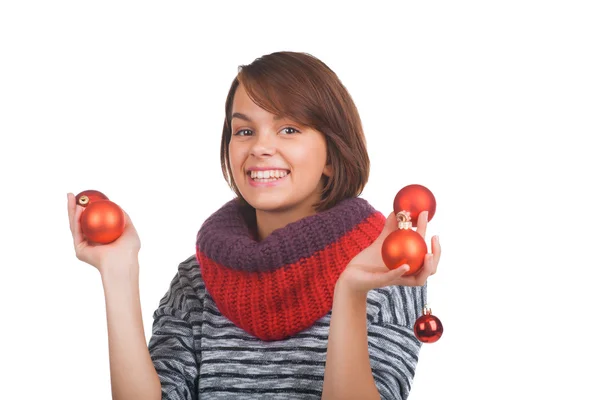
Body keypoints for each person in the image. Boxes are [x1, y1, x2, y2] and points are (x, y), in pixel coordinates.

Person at [67, 51, 441, 400]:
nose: (260, 147)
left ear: (333, 153)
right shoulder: (197, 280)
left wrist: (350, 292)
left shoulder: (385, 268)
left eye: (289, 129)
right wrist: (119, 272)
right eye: (244, 131)